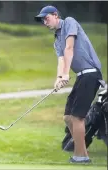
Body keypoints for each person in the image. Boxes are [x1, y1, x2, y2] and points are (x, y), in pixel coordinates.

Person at [34, 5, 104, 163]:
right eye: (42, 20)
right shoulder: (57, 39)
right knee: (67, 117)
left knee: (77, 117)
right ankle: (83, 154)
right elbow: (61, 59)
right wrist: (59, 78)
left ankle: (81, 157)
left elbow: (70, 48)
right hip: (81, 76)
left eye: (46, 18)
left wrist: (66, 73)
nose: (44, 22)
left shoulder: (70, 23)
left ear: (55, 15)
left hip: (90, 74)